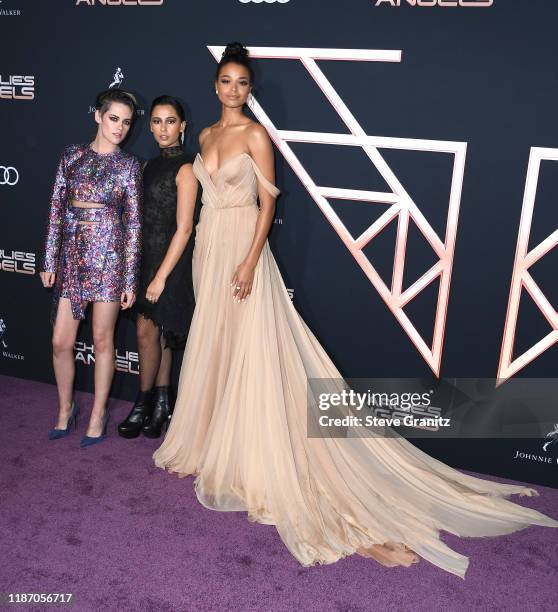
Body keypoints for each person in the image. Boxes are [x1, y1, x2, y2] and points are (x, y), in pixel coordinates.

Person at [152, 43, 558, 577]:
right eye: (226, 81)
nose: (233, 90)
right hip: (209, 248)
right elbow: (198, 206)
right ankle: (209, 442)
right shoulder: (203, 137)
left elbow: (269, 203)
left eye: (242, 83)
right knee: (216, 346)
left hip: (243, 252)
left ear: (250, 90)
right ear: (215, 86)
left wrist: (251, 260)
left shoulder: (255, 135)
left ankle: (255, 452)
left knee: (254, 349)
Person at [40, 88, 142, 448]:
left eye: (127, 122)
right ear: (98, 116)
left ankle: (97, 413)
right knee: (59, 341)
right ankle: (66, 409)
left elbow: (132, 226)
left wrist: (130, 278)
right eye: (114, 118)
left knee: (102, 339)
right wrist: (49, 258)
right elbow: (55, 210)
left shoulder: (129, 166)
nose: (120, 127)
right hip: (71, 257)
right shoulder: (71, 157)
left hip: (110, 259)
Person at [118, 96, 198, 439]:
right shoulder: (147, 166)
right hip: (145, 258)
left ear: (182, 125)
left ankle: (142, 403)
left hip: (172, 263)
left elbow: (185, 227)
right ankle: (162, 403)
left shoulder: (188, 167)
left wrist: (161, 277)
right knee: (157, 334)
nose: (162, 128)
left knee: (150, 333)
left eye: (170, 121)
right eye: (156, 121)